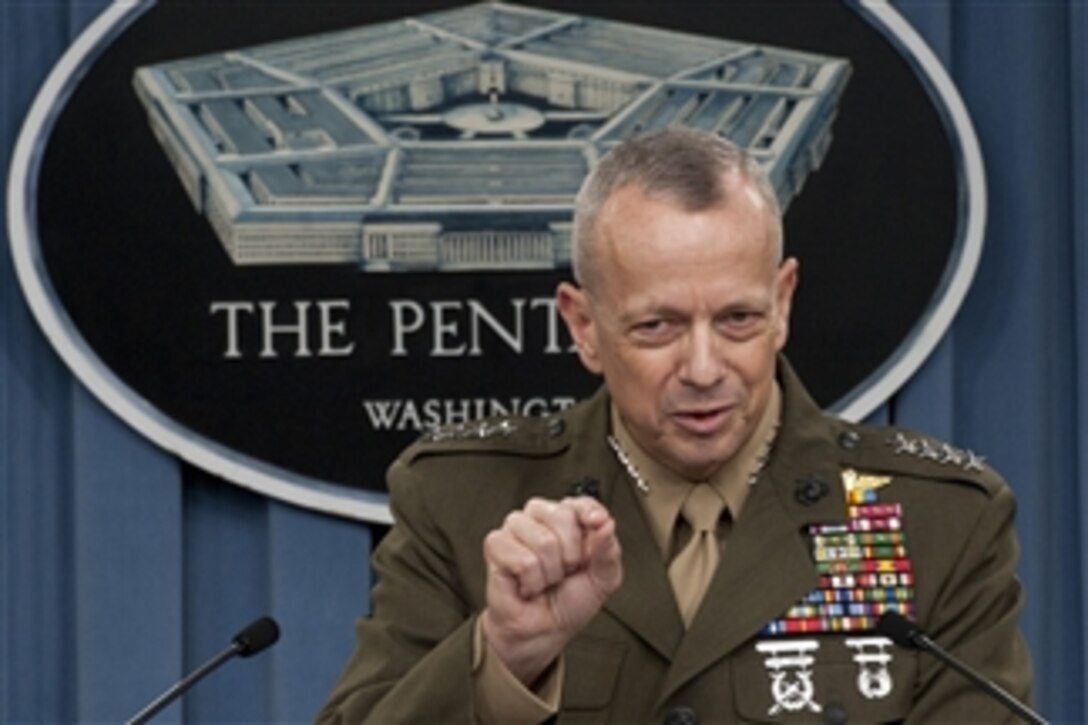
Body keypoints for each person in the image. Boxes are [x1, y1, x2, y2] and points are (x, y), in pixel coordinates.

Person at [317, 128, 1032, 723]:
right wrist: (502, 653)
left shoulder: (939, 521)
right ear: (584, 325)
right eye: (657, 326)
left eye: (738, 319)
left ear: (782, 302)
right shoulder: (464, 501)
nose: (702, 366)